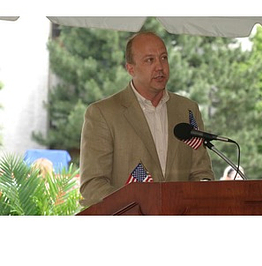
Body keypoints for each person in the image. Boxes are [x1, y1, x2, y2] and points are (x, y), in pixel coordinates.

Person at [79, 31, 215, 207]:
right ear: (131, 68)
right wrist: (141, 209)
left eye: (164, 58)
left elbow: (201, 173)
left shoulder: (188, 110)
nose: (160, 66)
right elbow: (92, 186)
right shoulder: (103, 114)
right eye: (150, 60)